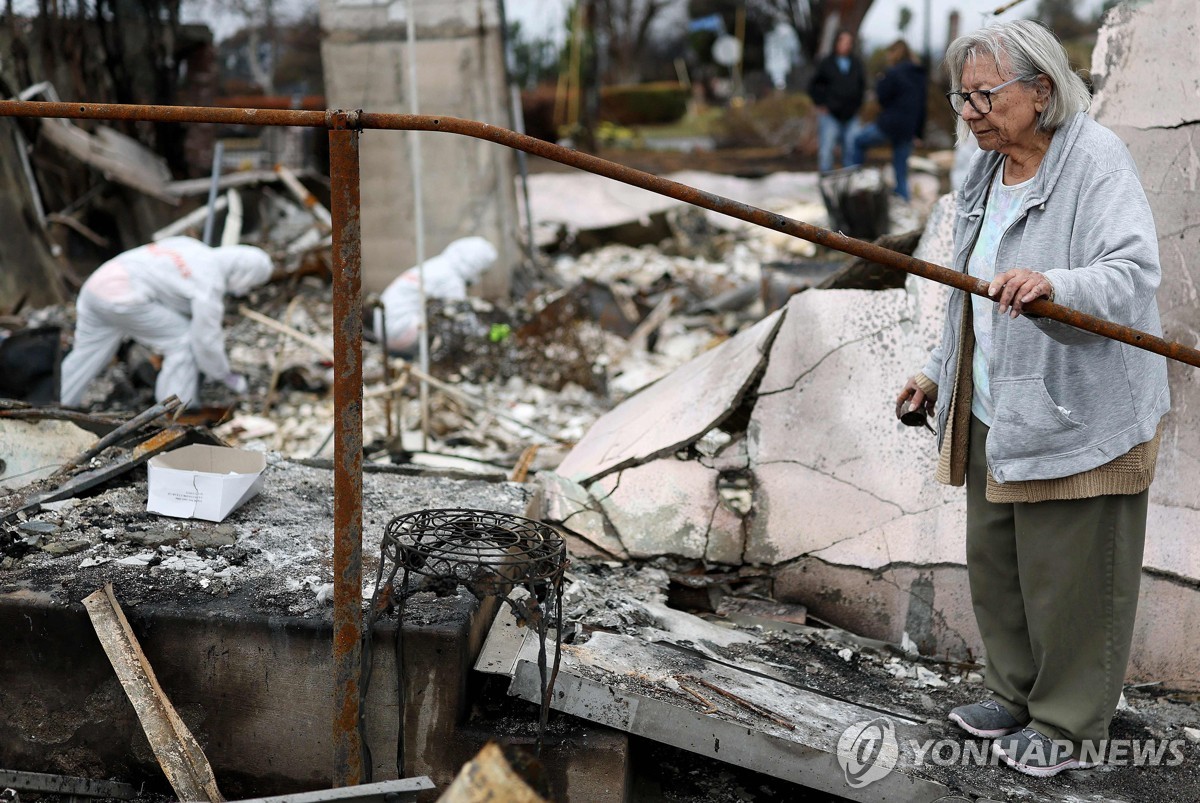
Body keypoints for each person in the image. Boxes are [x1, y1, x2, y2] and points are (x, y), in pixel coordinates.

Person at [895, 20, 1169, 778]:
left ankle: (1069, 720)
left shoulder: (1094, 159)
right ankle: (1013, 692)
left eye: (986, 94)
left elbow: (1133, 273)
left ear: (1040, 90)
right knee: (1001, 565)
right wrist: (934, 370)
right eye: (961, 96)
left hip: (1081, 412)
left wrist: (1059, 283)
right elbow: (967, 294)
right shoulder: (983, 173)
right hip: (998, 405)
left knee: (1074, 576)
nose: (972, 110)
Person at [60, 236, 274, 408]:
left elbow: (166, 281)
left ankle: (61, 405)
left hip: (97, 285)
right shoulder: (210, 284)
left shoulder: (191, 246)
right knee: (183, 341)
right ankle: (173, 411)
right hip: (125, 296)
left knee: (86, 353)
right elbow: (205, 342)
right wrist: (224, 374)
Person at [375, 237, 497, 357]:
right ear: (476, 265)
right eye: (482, 272)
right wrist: (486, 334)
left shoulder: (439, 266)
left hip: (383, 329)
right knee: (450, 322)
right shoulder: (450, 280)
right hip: (398, 332)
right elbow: (462, 317)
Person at [848, 39, 927, 201]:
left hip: (889, 125)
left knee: (858, 141)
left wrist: (881, 80)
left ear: (894, 53)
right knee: (900, 169)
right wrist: (918, 133)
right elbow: (922, 106)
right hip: (908, 128)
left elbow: (882, 97)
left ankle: (855, 183)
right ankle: (904, 202)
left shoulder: (893, 72)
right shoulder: (919, 74)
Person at [808, 29, 866, 174]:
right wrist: (820, 103)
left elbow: (862, 87)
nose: (846, 45)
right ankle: (826, 183)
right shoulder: (826, 63)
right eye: (843, 41)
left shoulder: (856, 64)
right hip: (830, 115)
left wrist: (857, 105)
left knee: (851, 150)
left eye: (849, 42)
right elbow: (813, 86)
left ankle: (849, 185)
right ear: (836, 42)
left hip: (851, 115)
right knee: (826, 150)